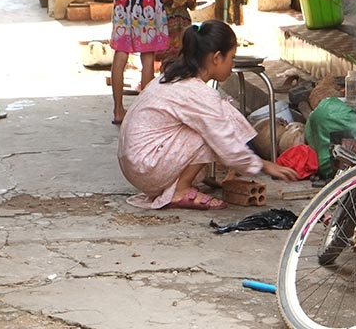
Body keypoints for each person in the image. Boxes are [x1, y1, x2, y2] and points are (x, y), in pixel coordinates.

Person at [118, 20, 299, 210]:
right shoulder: (197, 93)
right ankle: (181, 190)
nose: (232, 64)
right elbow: (223, 140)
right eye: (231, 57)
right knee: (213, 129)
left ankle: (190, 182)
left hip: (136, 163)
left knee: (220, 113)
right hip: (146, 167)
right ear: (217, 58)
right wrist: (263, 164)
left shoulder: (173, 77)